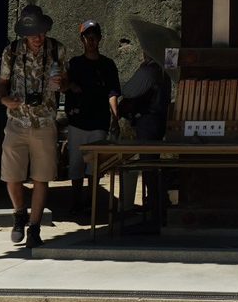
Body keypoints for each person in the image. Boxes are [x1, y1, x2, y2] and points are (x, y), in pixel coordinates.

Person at [0, 3, 64, 256]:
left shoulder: (57, 50)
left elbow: (66, 83)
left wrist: (62, 83)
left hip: (45, 121)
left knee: (41, 177)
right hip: (17, 121)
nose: (39, 37)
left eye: (42, 32)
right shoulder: (11, 52)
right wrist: (5, 99)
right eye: (34, 33)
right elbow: (1, 85)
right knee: (12, 177)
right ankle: (18, 213)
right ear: (24, 33)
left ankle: (34, 228)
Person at [63, 19, 121, 220]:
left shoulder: (108, 65)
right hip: (77, 120)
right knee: (76, 163)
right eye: (87, 36)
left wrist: (115, 116)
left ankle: (91, 201)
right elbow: (61, 84)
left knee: (94, 166)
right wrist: (70, 86)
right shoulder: (74, 64)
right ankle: (76, 201)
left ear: (100, 39)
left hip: (99, 121)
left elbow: (112, 92)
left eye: (94, 36)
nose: (91, 40)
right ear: (82, 39)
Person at [117, 53, 173, 235]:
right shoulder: (165, 72)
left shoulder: (149, 70)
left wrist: (141, 69)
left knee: (148, 164)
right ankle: (159, 203)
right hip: (159, 120)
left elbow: (128, 90)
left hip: (147, 120)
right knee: (153, 164)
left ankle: (156, 207)